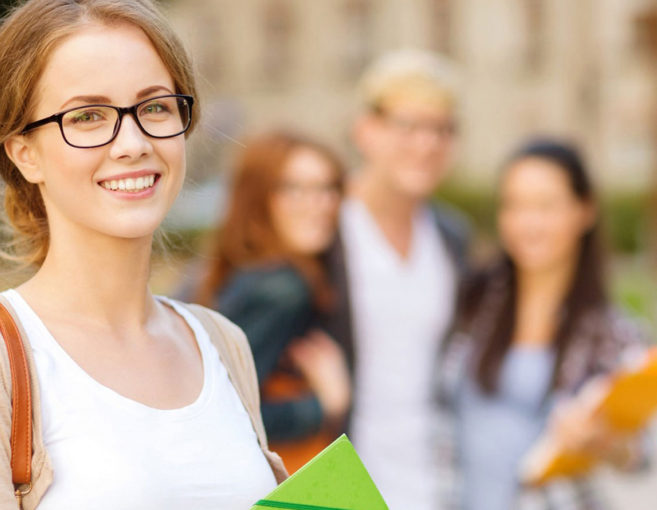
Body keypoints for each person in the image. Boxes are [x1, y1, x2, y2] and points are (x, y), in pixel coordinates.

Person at [0, 1, 286, 509]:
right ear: (26, 153)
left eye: (154, 107)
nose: (132, 142)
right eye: (87, 116)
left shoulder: (223, 343)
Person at [436, 139, 647, 510]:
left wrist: (604, 444)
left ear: (585, 211)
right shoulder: (472, 302)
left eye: (545, 206)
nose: (527, 223)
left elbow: (642, 456)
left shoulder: (613, 335)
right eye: (514, 205)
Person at [323, 49, 470, 510]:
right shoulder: (324, 227)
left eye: (442, 129)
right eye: (408, 126)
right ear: (366, 130)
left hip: (431, 489)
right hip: (339, 487)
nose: (427, 144)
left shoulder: (450, 237)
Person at [195, 131, 352, 473]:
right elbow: (228, 410)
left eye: (328, 188)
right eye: (294, 188)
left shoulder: (239, 272)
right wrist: (324, 404)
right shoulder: (282, 288)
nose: (320, 203)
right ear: (258, 197)